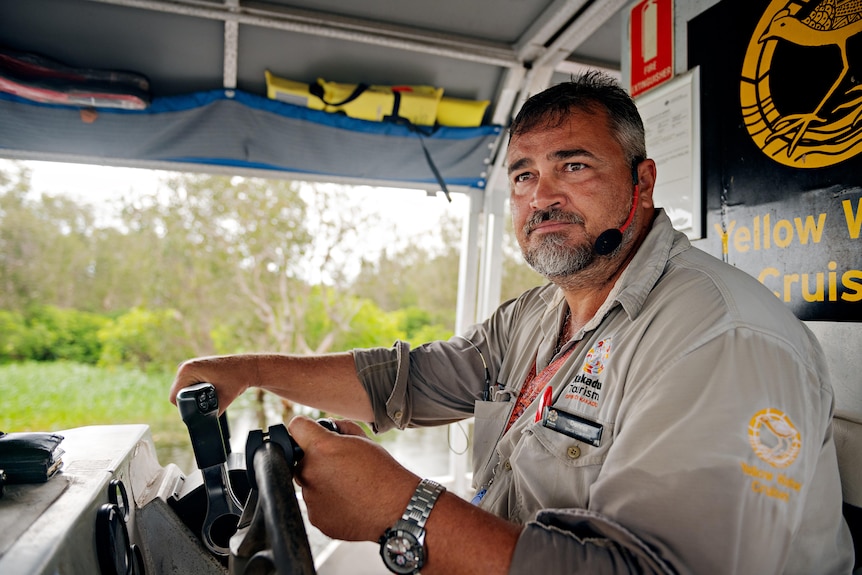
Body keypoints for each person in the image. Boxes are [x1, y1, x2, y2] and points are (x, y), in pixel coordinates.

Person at [170, 71, 855, 574]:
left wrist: (402, 507)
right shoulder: (540, 309)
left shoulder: (717, 338)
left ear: (642, 184)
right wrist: (249, 371)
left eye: (574, 165)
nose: (542, 195)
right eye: (523, 176)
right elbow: (414, 379)